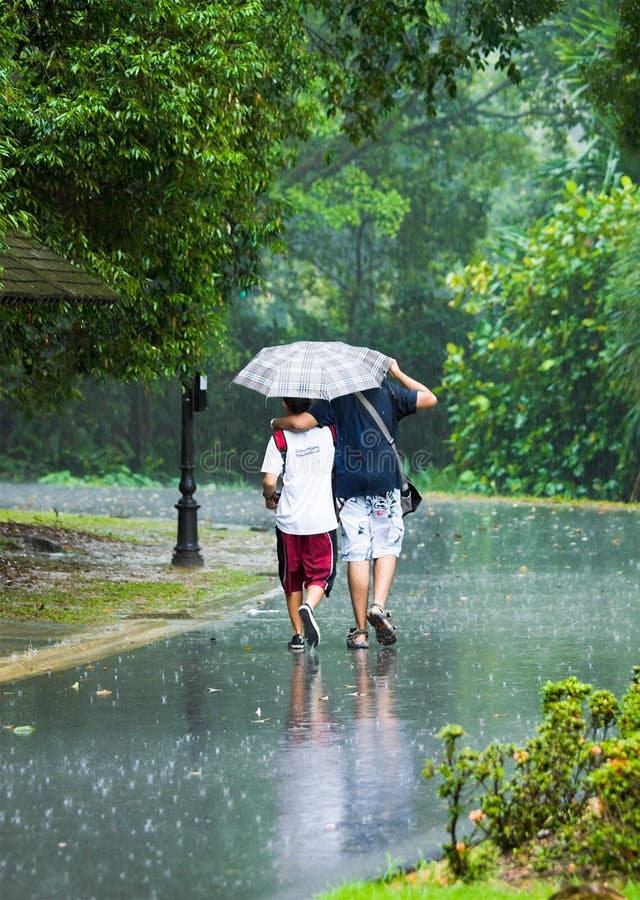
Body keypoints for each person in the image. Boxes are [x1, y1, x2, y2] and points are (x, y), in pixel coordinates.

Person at [270, 359, 437, 649]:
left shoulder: (334, 400)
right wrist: (397, 372)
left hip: (348, 486)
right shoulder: (389, 392)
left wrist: (276, 423)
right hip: (385, 481)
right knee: (386, 547)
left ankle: (360, 632)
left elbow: (298, 423)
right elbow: (429, 397)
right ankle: (378, 607)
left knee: (356, 553)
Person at [261, 397, 338, 651]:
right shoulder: (329, 432)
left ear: (285, 405)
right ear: (313, 403)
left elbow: (270, 481)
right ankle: (309, 606)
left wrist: (269, 497)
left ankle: (297, 635)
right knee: (321, 574)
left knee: (291, 577)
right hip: (321, 521)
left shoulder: (279, 439)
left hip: (289, 523)